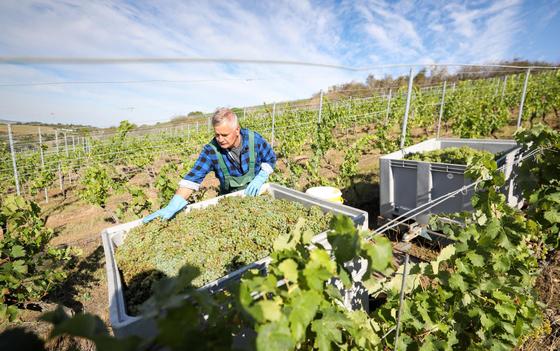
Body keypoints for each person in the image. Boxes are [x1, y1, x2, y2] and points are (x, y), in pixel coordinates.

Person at [143, 108, 276, 223]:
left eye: (224, 135)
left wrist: (261, 177)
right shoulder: (211, 150)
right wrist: (173, 204)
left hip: (258, 193)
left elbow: (270, 158)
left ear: (237, 130)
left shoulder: (254, 140)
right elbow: (193, 178)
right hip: (230, 200)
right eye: (216, 134)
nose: (220, 139)